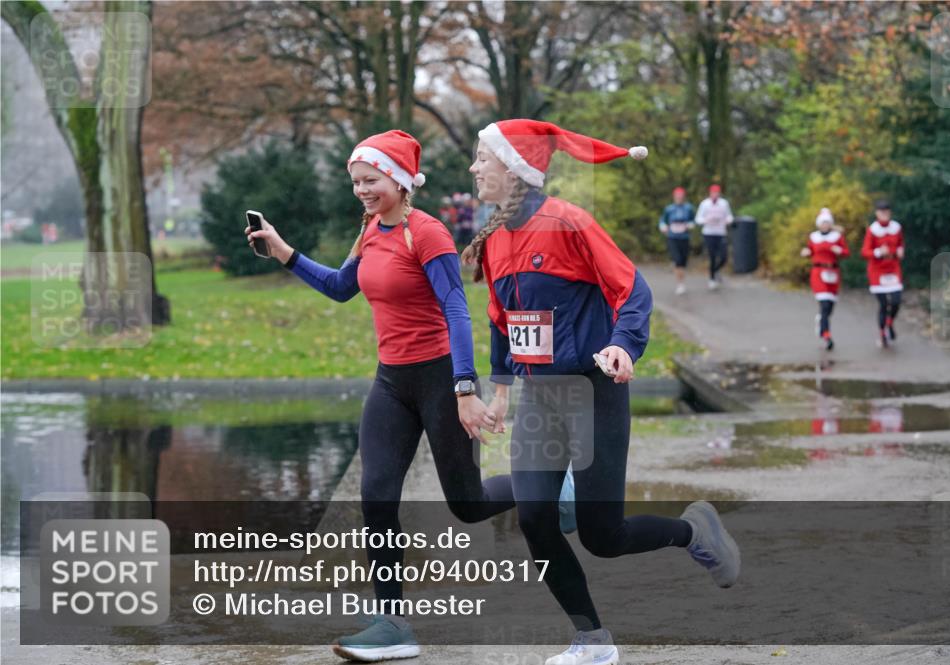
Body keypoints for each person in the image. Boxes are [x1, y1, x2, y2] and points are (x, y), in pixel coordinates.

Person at [463, 119, 741, 665]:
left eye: (482, 158)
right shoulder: (495, 238)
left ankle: (694, 531)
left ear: (515, 169)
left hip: (593, 389)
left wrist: (623, 346)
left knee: (602, 535)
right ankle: (592, 641)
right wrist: (500, 391)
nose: (474, 168)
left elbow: (631, 288)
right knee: (535, 518)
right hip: (541, 397)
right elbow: (502, 322)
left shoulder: (568, 222)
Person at [246, 129, 515, 662]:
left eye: (369, 180)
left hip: (441, 378)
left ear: (397, 178)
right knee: (376, 497)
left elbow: (458, 313)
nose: (361, 191)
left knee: (468, 503)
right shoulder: (370, 228)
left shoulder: (429, 234)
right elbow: (343, 287)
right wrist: (284, 252)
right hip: (392, 381)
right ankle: (394, 625)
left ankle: (554, 486)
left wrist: (465, 389)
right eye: (355, 183)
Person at [801, 207, 849, 351]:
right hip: (818, 272)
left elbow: (846, 252)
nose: (825, 225)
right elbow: (809, 250)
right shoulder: (813, 237)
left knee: (830, 306)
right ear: (819, 224)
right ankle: (827, 335)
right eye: (823, 223)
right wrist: (806, 252)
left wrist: (839, 251)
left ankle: (822, 321)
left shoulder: (837, 237)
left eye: (827, 222)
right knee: (824, 304)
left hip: (833, 272)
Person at [860, 199, 904, 348]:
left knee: (897, 301)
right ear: (877, 213)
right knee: (884, 304)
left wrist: (900, 250)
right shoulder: (872, 230)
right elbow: (865, 252)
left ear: (889, 212)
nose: (884, 214)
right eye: (881, 211)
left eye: (886, 211)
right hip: (877, 270)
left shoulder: (896, 228)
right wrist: (879, 252)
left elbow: (900, 243)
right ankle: (882, 333)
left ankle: (889, 323)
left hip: (893, 268)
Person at [694, 184, 734, 290]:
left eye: (717, 193)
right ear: (710, 193)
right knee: (712, 256)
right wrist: (706, 220)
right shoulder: (705, 204)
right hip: (709, 233)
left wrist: (728, 220)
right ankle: (711, 279)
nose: (715, 195)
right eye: (713, 193)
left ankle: (716, 270)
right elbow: (698, 219)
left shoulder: (724, 204)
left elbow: (729, 216)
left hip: (721, 233)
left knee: (724, 256)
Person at [658, 186, 695, 294]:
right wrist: (663, 227)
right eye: (677, 196)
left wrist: (690, 225)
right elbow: (662, 221)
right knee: (677, 260)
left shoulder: (688, 208)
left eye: (681, 196)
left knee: (683, 261)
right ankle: (680, 284)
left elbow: (693, 220)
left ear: (684, 197)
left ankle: (681, 279)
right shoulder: (669, 209)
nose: (679, 198)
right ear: (674, 197)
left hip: (684, 237)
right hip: (672, 237)